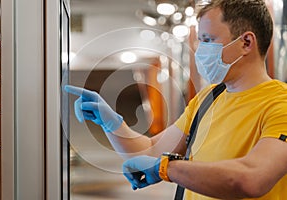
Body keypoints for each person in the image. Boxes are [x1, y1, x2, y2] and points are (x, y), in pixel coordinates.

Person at [64, 0, 287, 199]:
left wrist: (167, 169)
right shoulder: (208, 98)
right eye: (199, 41)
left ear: (246, 42)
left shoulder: (280, 105)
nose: (200, 50)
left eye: (208, 40)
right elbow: (151, 150)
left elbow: (252, 178)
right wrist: (112, 123)